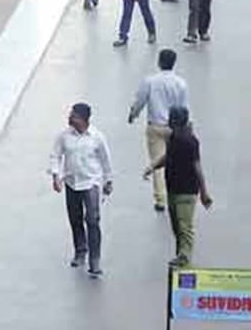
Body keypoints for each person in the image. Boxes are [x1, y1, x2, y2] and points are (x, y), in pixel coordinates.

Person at [49, 102, 113, 277]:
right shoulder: (64, 136)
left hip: (91, 183)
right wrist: (56, 176)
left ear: (84, 119)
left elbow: (105, 159)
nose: (70, 118)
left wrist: (108, 180)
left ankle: (95, 260)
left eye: (74, 116)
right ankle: (80, 251)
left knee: (92, 220)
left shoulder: (97, 137)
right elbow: (55, 155)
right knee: (75, 218)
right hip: (72, 182)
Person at [144, 106, 213, 267]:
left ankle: (185, 256)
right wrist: (152, 167)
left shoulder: (190, 141)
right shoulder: (172, 137)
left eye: (171, 118)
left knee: (184, 226)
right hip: (173, 189)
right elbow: (168, 156)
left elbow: (197, 167)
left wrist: (204, 193)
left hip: (187, 191)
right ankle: (181, 253)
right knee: (176, 225)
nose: (168, 121)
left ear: (176, 121)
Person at [128, 49, 189, 212]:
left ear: (159, 62)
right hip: (175, 129)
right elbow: (184, 108)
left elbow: (140, 100)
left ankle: (160, 199)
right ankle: (175, 194)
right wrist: (186, 128)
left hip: (155, 127)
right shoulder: (181, 83)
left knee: (157, 163)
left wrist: (133, 114)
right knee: (175, 162)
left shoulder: (150, 81)